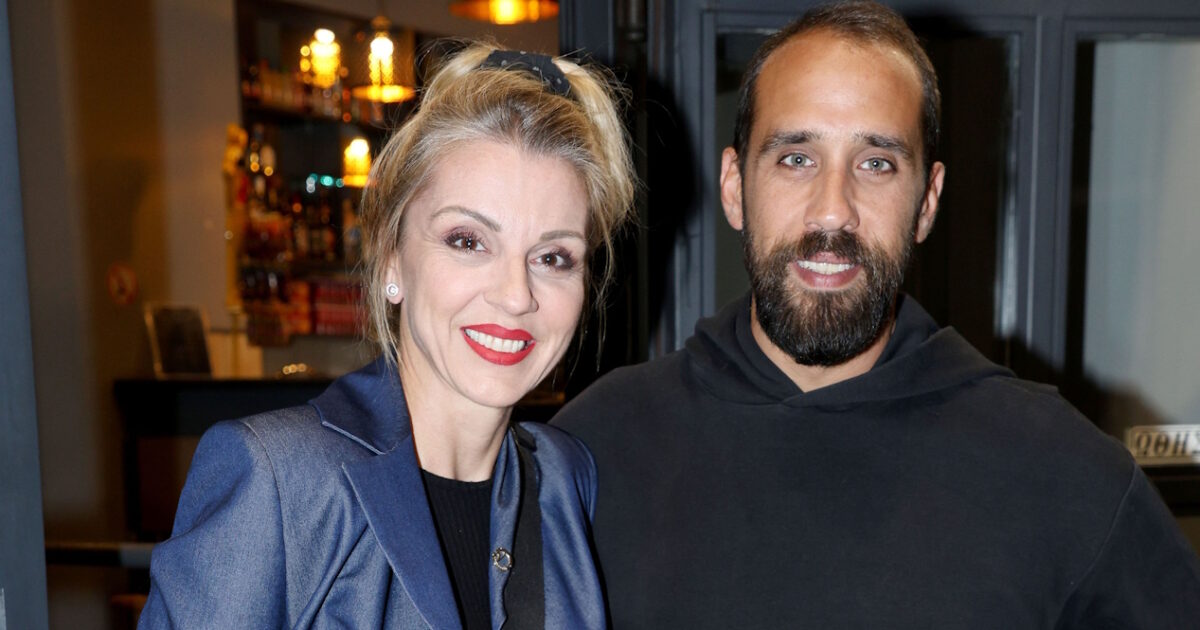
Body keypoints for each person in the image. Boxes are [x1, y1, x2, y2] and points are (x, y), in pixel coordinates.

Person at [554, 2, 1200, 627]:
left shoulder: (1064, 473)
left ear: (927, 202)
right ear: (734, 187)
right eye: (796, 158)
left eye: (876, 163)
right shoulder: (594, 452)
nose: (833, 210)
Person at [140, 41, 634, 629]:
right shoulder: (277, 480)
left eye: (553, 257)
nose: (515, 294)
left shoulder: (565, 476)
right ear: (391, 257)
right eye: (468, 241)